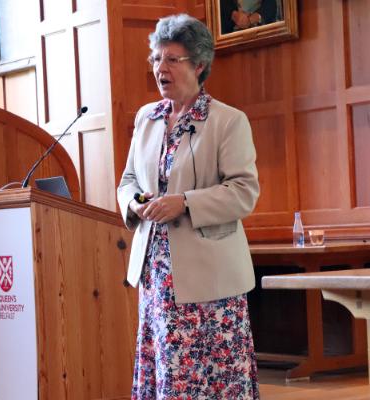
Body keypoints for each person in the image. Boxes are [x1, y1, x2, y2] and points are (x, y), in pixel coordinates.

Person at [117, 13, 260, 400]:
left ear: (199, 65)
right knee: (167, 375)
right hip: (157, 277)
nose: (160, 68)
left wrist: (184, 203)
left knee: (210, 382)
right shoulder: (147, 118)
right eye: (155, 59)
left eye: (171, 60)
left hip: (210, 283)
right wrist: (135, 202)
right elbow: (128, 181)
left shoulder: (228, 122)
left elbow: (243, 191)